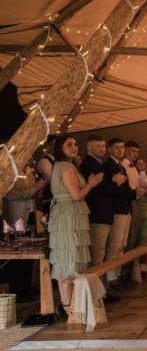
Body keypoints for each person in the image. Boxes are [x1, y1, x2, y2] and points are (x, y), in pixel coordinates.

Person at [47, 136, 103, 318]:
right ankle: (67, 308)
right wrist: (91, 184)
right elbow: (77, 195)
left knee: (66, 259)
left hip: (67, 215)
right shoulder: (66, 167)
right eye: (69, 145)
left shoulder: (61, 166)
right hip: (68, 216)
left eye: (75, 144)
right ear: (60, 148)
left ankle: (66, 307)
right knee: (68, 260)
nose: (74, 147)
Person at [79, 135, 126, 304]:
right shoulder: (89, 164)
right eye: (98, 146)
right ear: (89, 147)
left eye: (103, 146)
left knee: (100, 254)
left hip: (103, 214)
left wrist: (112, 183)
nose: (102, 149)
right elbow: (100, 189)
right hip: (97, 214)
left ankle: (101, 292)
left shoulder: (96, 163)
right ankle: (96, 295)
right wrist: (115, 183)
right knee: (97, 256)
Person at [2, 159, 47, 302]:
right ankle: (17, 290)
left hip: (29, 214)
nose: (30, 159)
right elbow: (10, 194)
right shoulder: (8, 172)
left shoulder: (29, 172)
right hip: (14, 217)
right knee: (16, 255)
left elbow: (33, 193)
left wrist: (38, 191)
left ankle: (27, 286)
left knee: (30, 252)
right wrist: (34, 188)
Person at [103, 138, 140, 291]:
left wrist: (133, 192)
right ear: (110, 150)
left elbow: (124, 188)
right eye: (116, 148)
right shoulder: (108, 166)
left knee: (123, 243)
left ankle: (117, 274)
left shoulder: (121, 167)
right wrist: (132, 192)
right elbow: (115, 190)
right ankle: (111, 277)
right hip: (117, 209)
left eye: (122, 147)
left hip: (125, 208)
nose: (120, 150)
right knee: (115, 244)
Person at [121, 140, 143, 287]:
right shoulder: (123, 166)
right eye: (133, 151)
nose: (135, 154)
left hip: (135, 203)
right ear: (126, 150)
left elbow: (141, 183)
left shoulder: (134, 168)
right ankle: (123, 274)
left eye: (137, 151)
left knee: (133, 240)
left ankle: (128, 274)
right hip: (127, 204)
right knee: (126, 240)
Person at [135, 158, 147, 245]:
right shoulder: (132, 176)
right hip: (134, 209)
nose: (140, 165)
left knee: (145, 237)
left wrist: (145, 188)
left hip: (146, 211)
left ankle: (144, 257)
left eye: (142, 163)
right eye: (138, 163)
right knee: (134, 237)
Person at [37, 135, 56, 218]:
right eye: (55, 145)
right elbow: (53, 180)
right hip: (50, 202)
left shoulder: (58, 161)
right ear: (48, 146)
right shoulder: (44, 161)